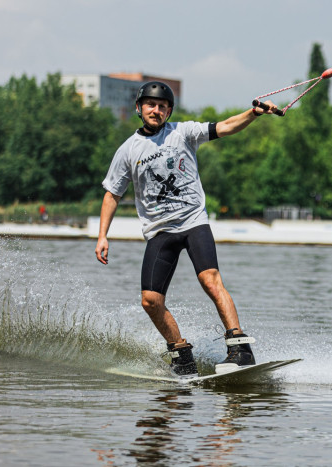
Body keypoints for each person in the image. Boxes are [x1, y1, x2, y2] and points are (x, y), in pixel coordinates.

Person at [95, 81, 278, 376]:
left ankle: (240, 348)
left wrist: (254, 113)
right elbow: (112, 194)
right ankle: (181, 354)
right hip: (159, 231)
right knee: (150, 300)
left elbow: (227, 126)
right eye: (151, 105)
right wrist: (103, 236)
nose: (157, 110)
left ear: (169, 111)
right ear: (140, 108)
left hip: (193, 221)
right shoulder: (128, 150)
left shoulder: (183, 132)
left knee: (210, 280)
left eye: (163, 106)